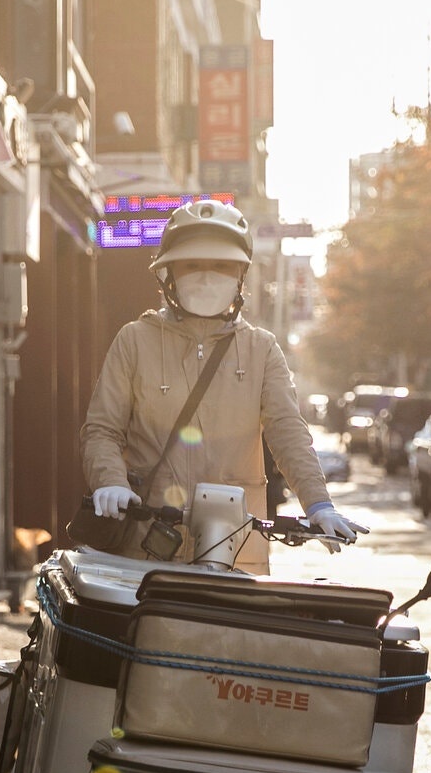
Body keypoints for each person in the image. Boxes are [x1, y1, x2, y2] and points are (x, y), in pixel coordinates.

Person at [81, 200, 364, 569]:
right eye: (192, 265)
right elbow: (102, 428)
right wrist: (111, 481)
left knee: (235, 626)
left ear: (240, 276)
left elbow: (288, 431)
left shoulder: (261, 349)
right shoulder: (135, 341)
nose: (205, 276)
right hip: (147, 544)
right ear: (168, 273)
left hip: (236, 548)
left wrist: (318, 503)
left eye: (221, 266)